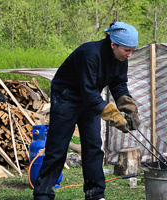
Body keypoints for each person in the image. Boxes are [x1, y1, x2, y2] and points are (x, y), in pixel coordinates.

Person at [33, 21, 140, 200]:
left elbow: (119, 83)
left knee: (93, 148)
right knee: (57, 148)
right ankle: (43, 194)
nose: (129, 54)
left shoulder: (121, 58)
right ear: (113, 44)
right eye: (126, 50)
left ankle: (95, 194)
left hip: (89, 99)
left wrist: (127, 106)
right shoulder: (90, 54)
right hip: (66, 97)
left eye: (132, 50)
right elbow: (88, 91)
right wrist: (113, 116)